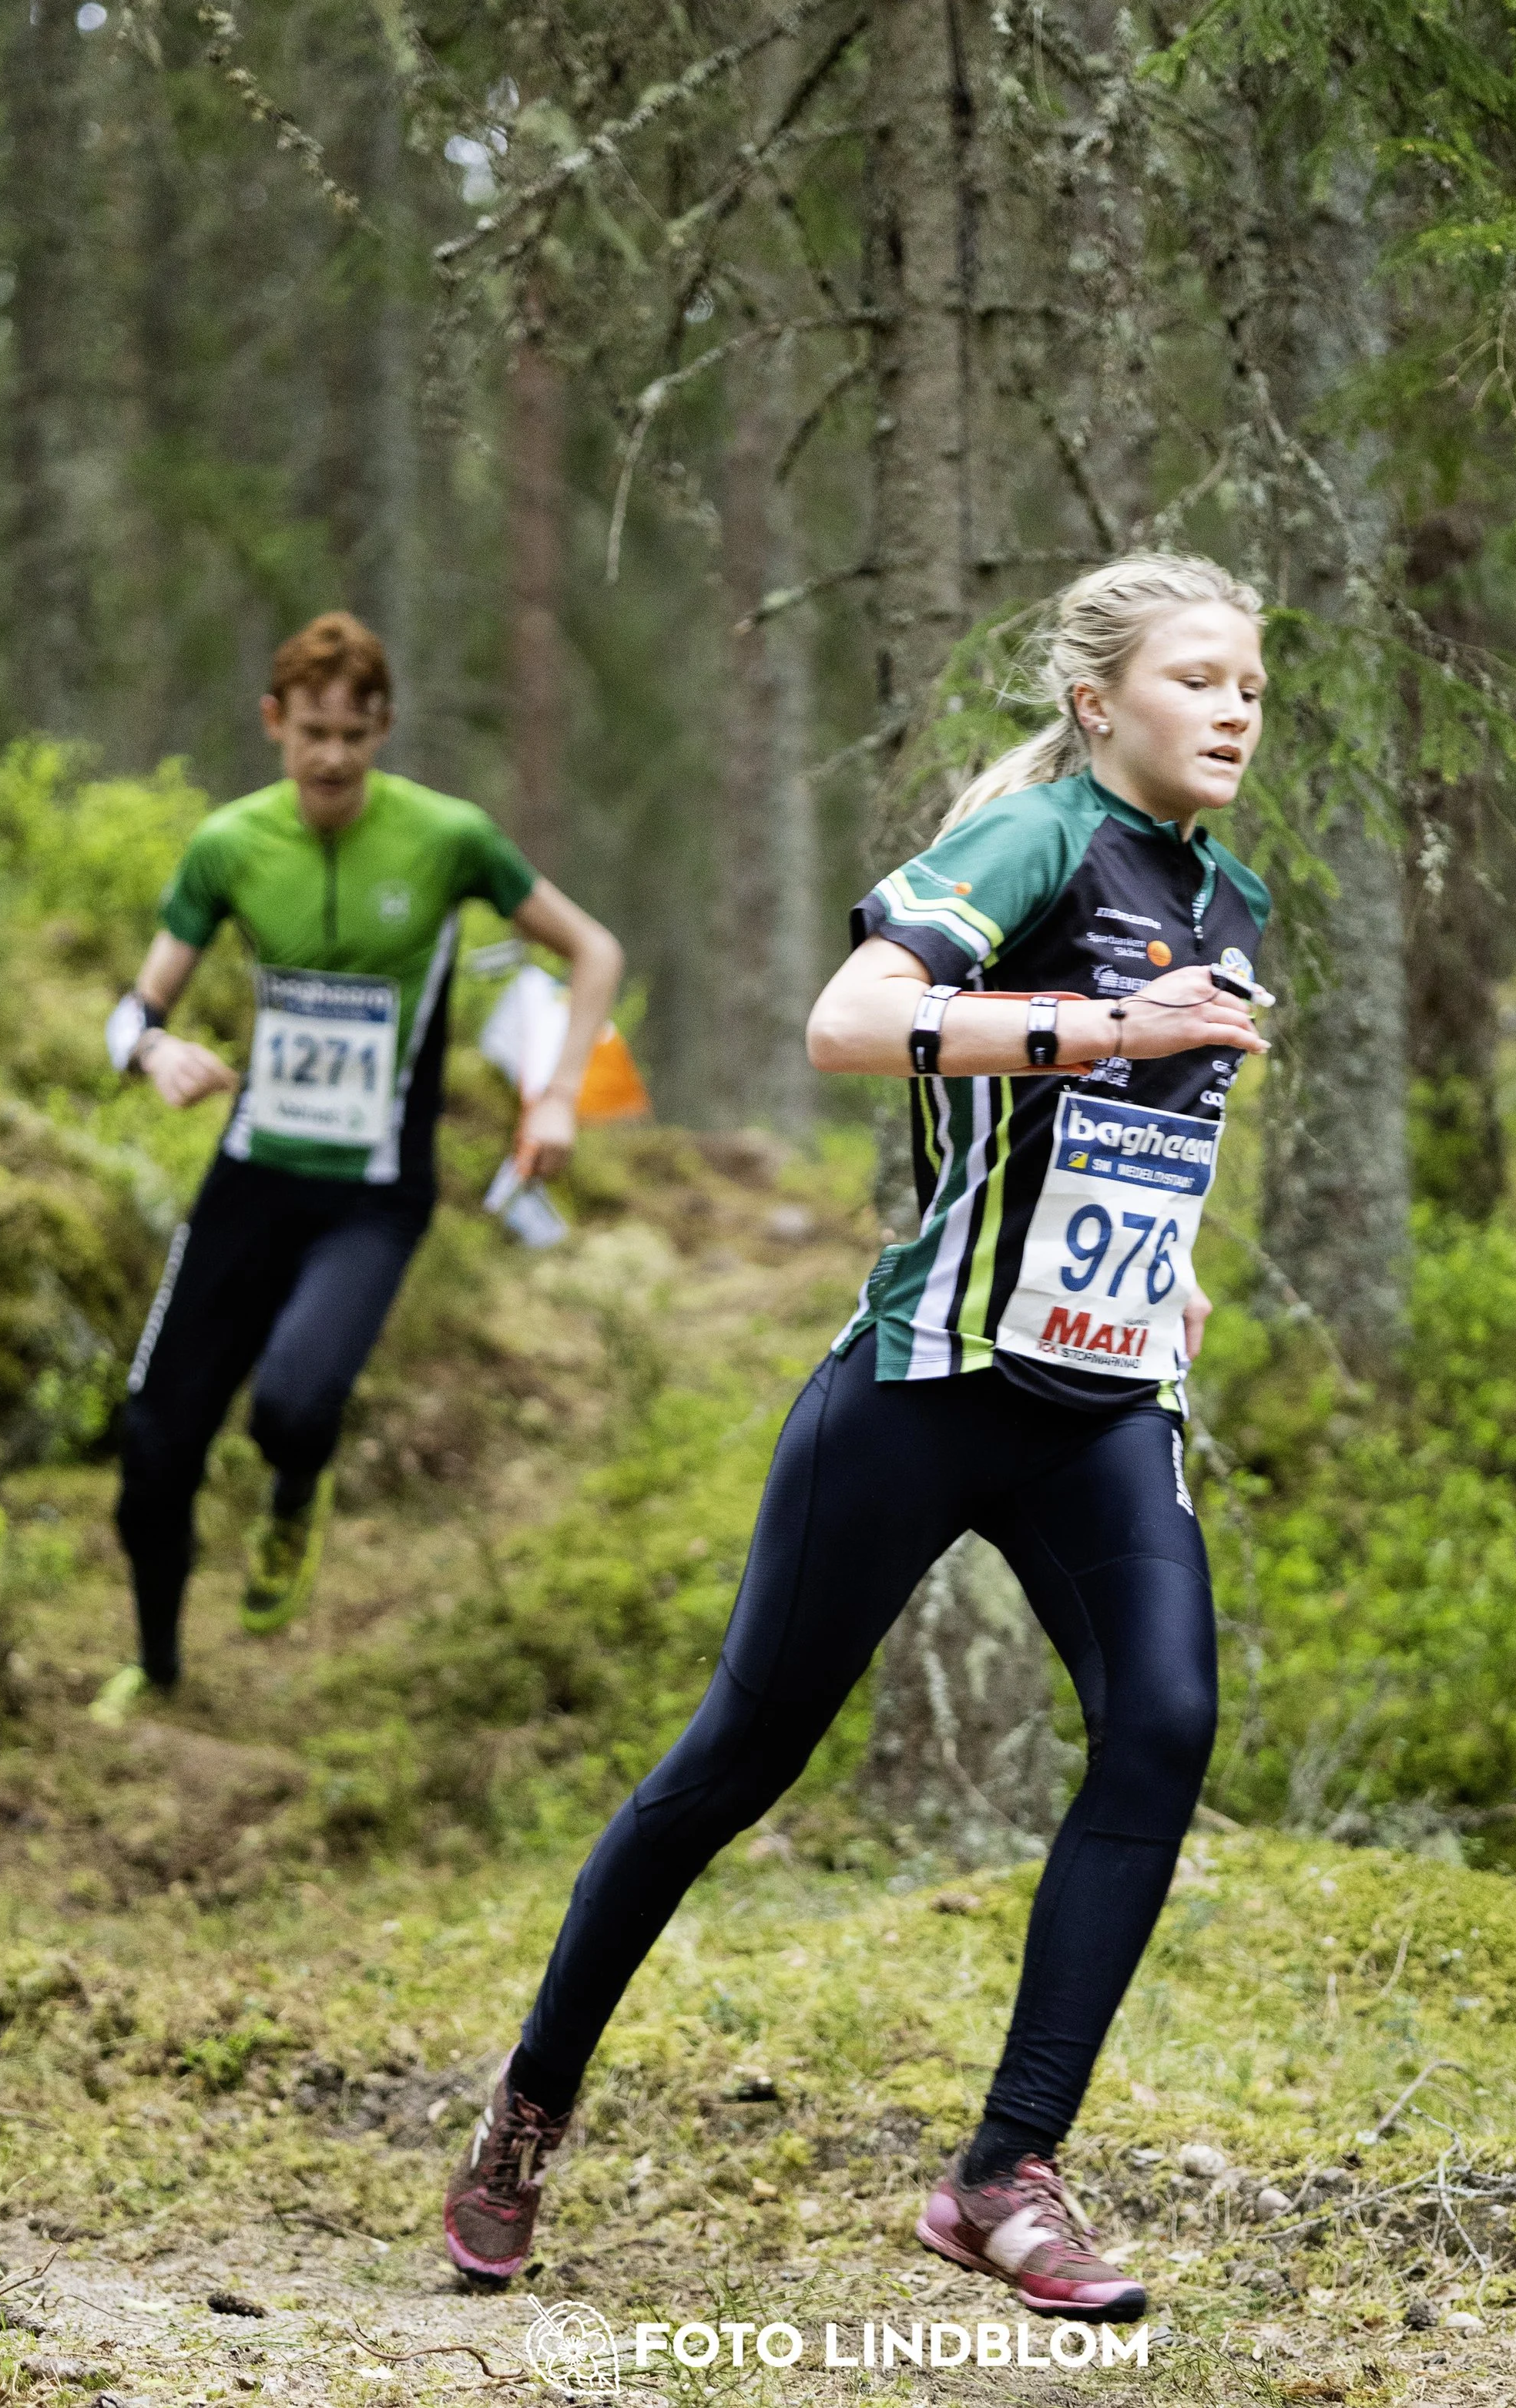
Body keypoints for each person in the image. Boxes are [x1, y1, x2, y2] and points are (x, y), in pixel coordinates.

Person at [442, 552, 1271, 2319]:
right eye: (1194, 678)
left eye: (1248, 688)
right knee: (735, 1760)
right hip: (925, 1385)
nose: (1230, 711)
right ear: (1095, 701)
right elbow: (847, 1023)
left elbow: (1134, 1132)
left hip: (1101, 1395)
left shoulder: (1228, 894)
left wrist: (1169, 1259)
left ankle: (1002, 2175)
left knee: (1161, 1723)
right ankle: (529, 2101)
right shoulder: (1037, 839)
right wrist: (1100, 1023)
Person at [92, 612, 623, 1725]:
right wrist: (153, 1051)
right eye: (312, 734)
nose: (332, 759)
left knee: (293, 1406)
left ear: (384, 729)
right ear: (273, 724)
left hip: (373, 1196)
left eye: (353, 734)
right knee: (154, 1443)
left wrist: (558, 1094)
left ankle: (295, 1496)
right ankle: (157, 1668)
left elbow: (593, 949)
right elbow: (134, 1010)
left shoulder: (448, 837)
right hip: (252, 1177)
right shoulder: (230, 845)